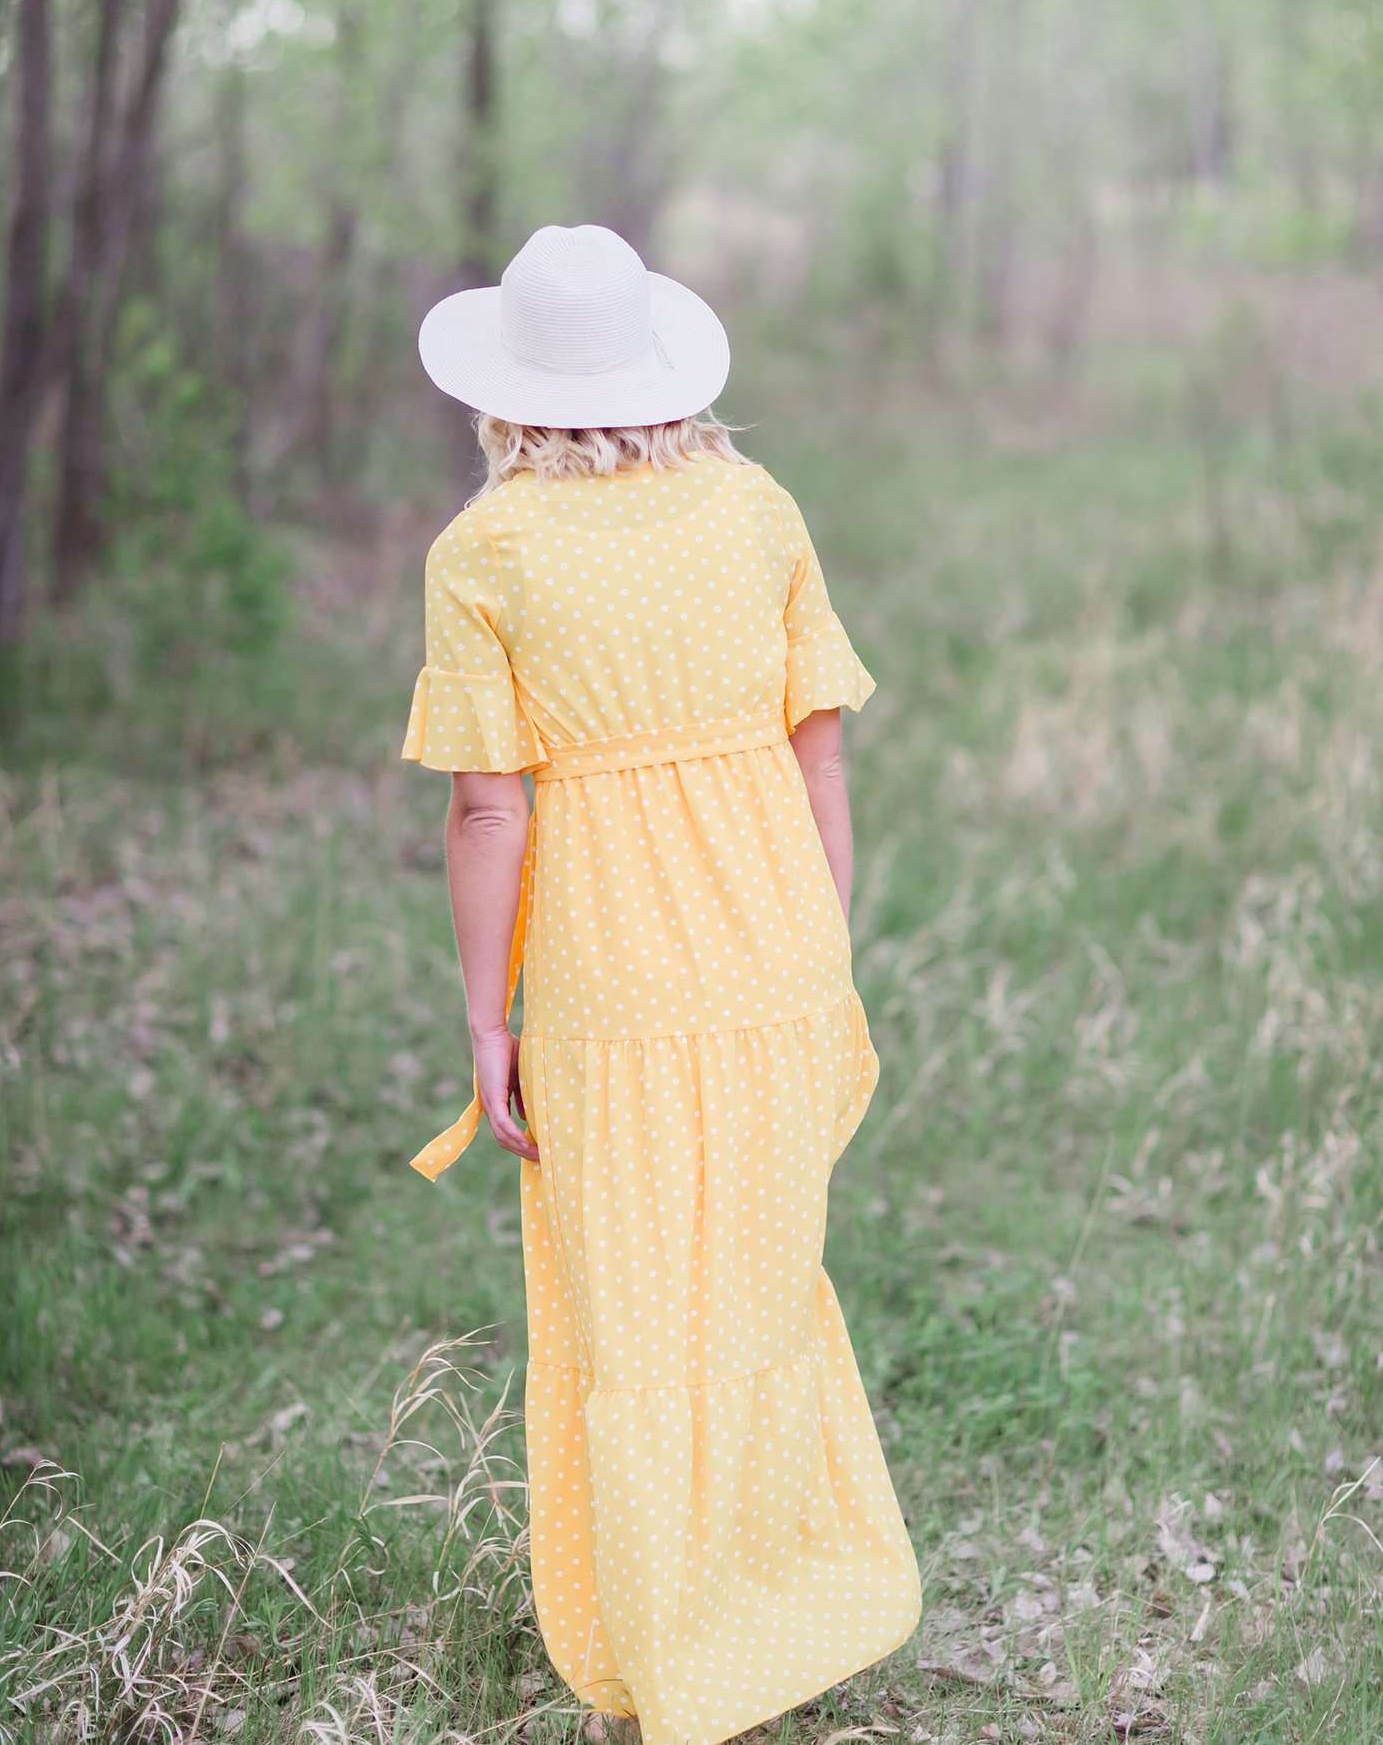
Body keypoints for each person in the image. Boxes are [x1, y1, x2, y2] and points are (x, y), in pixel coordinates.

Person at [401, 224, 921, 1745]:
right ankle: (780, 1605)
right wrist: (813, 955)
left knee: (632, 1310)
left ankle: (680, 1651)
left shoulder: (484, 553)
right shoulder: (755, 511)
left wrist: (487, 1019)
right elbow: (821, 747)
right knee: (762, 1286)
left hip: (609, 978)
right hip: (774, 955)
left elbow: (488, 810)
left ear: (510, 388)